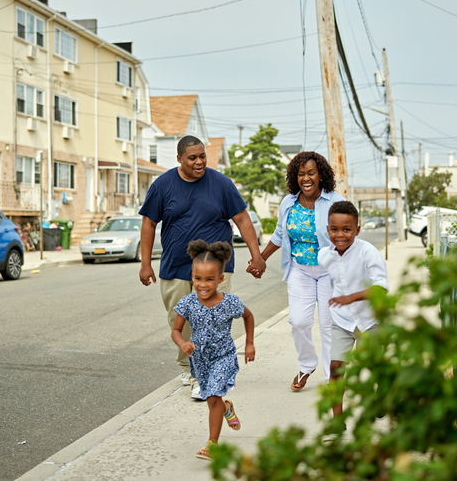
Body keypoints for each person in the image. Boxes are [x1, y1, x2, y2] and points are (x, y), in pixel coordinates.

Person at [139, 135, 266, 400]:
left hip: (215, 267)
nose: (199, 162)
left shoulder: (221, 184)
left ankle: (204, 376)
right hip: (175, 265)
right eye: (192, 158)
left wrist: (257, 256)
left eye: (202, 156)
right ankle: (187, 366)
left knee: (212, 321)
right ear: (179, 159)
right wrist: (145, 263)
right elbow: (149, 223)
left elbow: (242, 219)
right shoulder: (162, 186)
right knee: (180, 321)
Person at [254, 151, 345, 391]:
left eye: (311, 173)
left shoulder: (335, 201)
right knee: (298, 321)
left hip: (329, 272)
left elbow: (348, 235)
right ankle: (306, 364)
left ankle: (331, 378)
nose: (306, 178)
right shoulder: (288, 202)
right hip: (299, 269)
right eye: (301, 174)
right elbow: (279, 235)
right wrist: (260, 259)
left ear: (321, 176)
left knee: (329, 325)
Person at [171, 240, 255, 461]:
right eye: (198, 278)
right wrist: (182, 343)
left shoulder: (230, 302)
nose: (203, 285)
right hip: (200, 360)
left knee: (215, 393)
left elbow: (248, 316)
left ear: (220, 279)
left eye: (209, 279)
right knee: (212, 400)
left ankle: (213, 444)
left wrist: (249, 343)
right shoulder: (187, 302)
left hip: (224, 356)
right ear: (192, 277)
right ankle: (226, 408)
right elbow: (176, 330)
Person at [317, 201, 389, 422]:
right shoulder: (324, 256)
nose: (340, 235)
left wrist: (352, 297)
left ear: (357, 230)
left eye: (347, 230)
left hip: (370, 320)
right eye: (335, 229)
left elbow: (382, 287)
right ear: (327, 229)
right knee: (336, 366)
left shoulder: (368, 252)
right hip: (343, 321)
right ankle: (337, 421)